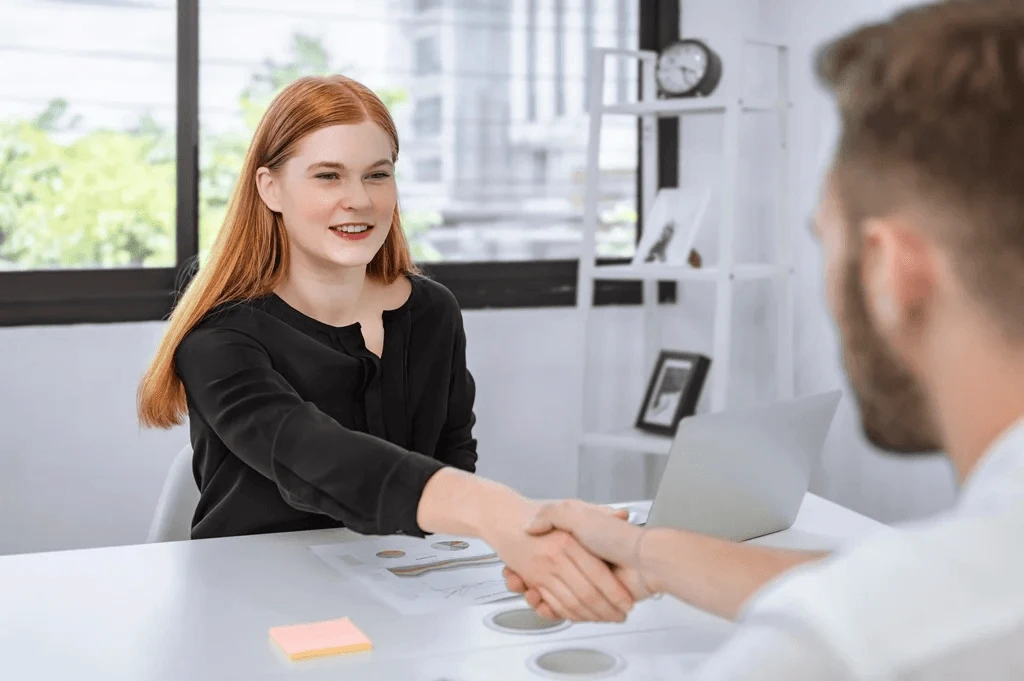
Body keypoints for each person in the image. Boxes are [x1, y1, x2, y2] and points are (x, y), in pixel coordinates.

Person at [506, 1, 1024, 677]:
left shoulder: (840, 649)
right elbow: (904, 581)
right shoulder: (961, 579)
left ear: (893, 273)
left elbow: (893, 609)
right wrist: (642, 550)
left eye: (823, 241)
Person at [136, 74, 636, 623]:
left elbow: (453, 453)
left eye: (378, 175)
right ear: (270, 188)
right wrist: (504, 515)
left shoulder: (431, 311)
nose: (360, 200)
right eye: (328, 176)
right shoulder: (220, 336)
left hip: (404, 591)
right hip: (251, 603)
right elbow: (312, 456)